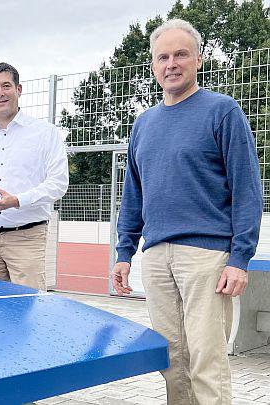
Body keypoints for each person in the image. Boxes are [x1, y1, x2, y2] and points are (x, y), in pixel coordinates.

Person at [112, 19, 263, 404]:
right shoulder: (143, 124)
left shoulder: (223, 112)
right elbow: (134, 195)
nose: (171, 63)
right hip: (157, 257)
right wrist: (124, 252)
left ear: (198, 59)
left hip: (207, 259)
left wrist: (240, 259)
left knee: (206, 361)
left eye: (181, 54)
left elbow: (247, 190)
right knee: (172, 362)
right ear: (152, 66)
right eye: (163, 57)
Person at [0, 62, 69, 290]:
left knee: (28, 309)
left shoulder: (45, 133)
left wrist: (17, 201)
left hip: (26, 237)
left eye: (6, 86)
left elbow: (58, 184)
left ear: (19, 90)